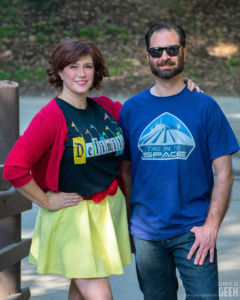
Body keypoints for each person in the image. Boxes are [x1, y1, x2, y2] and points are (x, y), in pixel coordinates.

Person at [3, 39, 132, 300]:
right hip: (74, 219)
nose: (82, 74)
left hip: (105, 213)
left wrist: (182, 89)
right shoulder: (51, 116)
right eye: (73, 66)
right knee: (100, 295)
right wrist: (47, 201)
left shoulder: (107, 108)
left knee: (80, 291)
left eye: (88, 66)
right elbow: (15, 168)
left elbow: (147, 110)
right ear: (59, 72)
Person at [119, 22, 240, 300]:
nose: (164, 56)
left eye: (172, 49)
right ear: (148, 56)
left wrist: (211, 227)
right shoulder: (131, 109)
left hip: (194, 232)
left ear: (184, 52)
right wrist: (128, 227)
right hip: (146, 234)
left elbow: (224, 174)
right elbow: (126, 174)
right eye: (157, 50)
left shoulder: (205, 105)